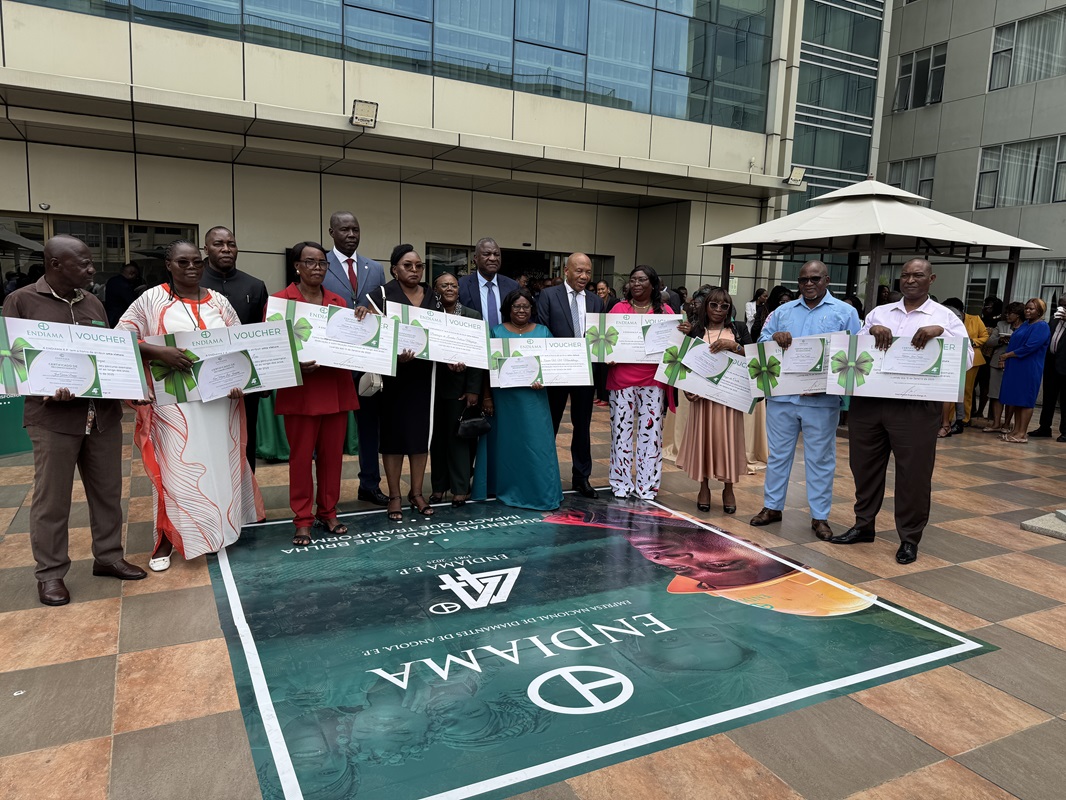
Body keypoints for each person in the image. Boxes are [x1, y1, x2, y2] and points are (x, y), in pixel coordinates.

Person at [3, 236, 147, 605]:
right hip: (53, 418)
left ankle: (108, 557)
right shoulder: (21, 301)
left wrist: (128, 383)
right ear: (55, 264)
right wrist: (44, 386)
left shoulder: (93, 302)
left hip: (101, 415)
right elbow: (11, 363)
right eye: (82, 263)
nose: (91, 268)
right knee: (52, 500)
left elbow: (106, 355)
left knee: (108, 492)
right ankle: (51, 573)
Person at [117, 240, 264, 571]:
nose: (192, 268)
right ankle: (167, 539)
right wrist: (159, 352)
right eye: (183, 262)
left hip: (219, 404)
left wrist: (240, 380)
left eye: (197, 262)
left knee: (217, 466)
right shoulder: (151, 300)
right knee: (177, 470)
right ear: (169, 265)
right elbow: (121, 337)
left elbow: (240, 344)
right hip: (175, 407)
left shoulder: (219, 302)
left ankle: (216, 531)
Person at [830, 258, 971, 565]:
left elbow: (967, 359)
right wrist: (871, 330)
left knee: (913, 474)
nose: (910, 280)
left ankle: (909, 537)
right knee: (864, 467)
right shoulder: (879, 313)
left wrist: (940, 334)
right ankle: (863, 525)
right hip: (871, 401)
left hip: (916, 406)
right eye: (905, 275)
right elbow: (854, 350)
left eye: (917, 275)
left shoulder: (945, 317)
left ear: (931, 279)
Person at [749, 261, 860, 540]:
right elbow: (761, 342)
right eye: (803, 280)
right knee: (778, 456)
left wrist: (831, 385)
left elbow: (855, 353)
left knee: (820, 459)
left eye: (814, 279)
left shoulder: (845, 313)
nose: (808, 284)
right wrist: (773, 337)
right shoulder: (782, 312)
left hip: (821, 400)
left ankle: (820, 516)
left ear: (827, 280)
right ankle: (772, 507)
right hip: (782, 397)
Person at [270, 241, 360, 546]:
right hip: (300, 391)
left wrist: (361, 323)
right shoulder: (280, 301)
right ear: (297, 266)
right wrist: (294, 363)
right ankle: (302, 519)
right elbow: (271, 349)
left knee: (332, 458)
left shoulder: (338, 302)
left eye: (322, 262)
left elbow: (350, 342)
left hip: (334, 388)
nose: (317, 268)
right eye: (310, 262)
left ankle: (328, 511)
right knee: (300, 460)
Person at [322, 211, 389, 507]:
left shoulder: (375, 268)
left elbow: (383, 309)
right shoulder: (320, 264)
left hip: (366, 363)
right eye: (344, 229)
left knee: (370, 428)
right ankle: (326, 496)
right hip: (332, 362)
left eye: (355, 229)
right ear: (331, 232)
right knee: (329, 433)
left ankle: (369, 485)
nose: (351, 234)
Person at [605, 265, 685, 500]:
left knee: (651, 435)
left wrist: (684, 333)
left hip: (653, 380)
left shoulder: (666, 312)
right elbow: (604, 341)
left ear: (653, 284)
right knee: (621, 433)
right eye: (633, 280)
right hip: (621, 378)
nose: (636, 284)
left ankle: (647, 485)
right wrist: (606, 354)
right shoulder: (618, 309)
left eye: (641, 280)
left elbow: (675, 347)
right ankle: (620, 482)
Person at [482, 288, 562, 510]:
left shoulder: (543, 332)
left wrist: (545, 379)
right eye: (516, 306)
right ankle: (506, 488)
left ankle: (540, 492)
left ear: (532, 309)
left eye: (526, 306)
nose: (521, 310)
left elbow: (553, 364)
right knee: (509, 445)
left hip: (534, 399)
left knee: (537, 444)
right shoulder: (496, 332)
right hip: (505, 400)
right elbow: (487, 369)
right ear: (508, 309)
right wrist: (487, 397)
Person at [375, 244, 438, 522]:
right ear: (394, 269)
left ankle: (416, 492)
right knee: (393, 438)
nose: (414, 270)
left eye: (419, 266)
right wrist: (393, 355)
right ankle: (394, 496)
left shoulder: (432, 296)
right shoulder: (381, 295)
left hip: (424, 377)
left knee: (419, 436)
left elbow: (442, 333)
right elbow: (372, 336)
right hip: (393, 378)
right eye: (407, 265)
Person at [198, 226, 268, 471]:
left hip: (245, 380)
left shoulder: (255, 286)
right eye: (218, 244)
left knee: (246, 441)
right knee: (208, 444)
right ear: (206, 249)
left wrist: (266, 381)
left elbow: (263, 333)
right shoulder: (194, 284)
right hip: (204, 380)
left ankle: (246, 493)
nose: (226, 249)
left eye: (231, 244)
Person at [675, 286, 750, 514]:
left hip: (729, 400)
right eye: (713, 304)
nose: (718, 309)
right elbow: (684, 363)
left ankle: (729, 488)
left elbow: (755, 356)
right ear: (706, 306)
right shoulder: (696, 330)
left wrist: (734, 346)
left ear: (729, 309)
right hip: (703, 400)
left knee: (728, 442)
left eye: (724, 306)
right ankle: (704, 487)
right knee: (704, 441)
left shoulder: (738, 329)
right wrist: (687, 389)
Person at [537, 252, 605, 498]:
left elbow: (600, 336)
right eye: (579, 271)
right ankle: (544, 477)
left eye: (588, 272)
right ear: (566, 271)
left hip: (585, 372)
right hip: (557, 372)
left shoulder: (596, 301)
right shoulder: (548, 295)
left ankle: (581, 477)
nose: (584, 276)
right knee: (550, 424)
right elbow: (543, 331)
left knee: (582, 425)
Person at [428, 272, 482, 506]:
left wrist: (473, 389)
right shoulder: (429, 314)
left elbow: (478, 354)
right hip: (431, 386)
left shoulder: (472, 316)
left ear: (459, 290)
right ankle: (439, 487)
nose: (449, 289)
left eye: (453, 285)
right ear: (436, 290)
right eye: (444, 285)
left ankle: (461, 487)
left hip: (460, 388)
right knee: (436, 439)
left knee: (459, 437)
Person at [998, 298, 1051, 444]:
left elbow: (1030, 347)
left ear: (1040, 311)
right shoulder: (1025, 324)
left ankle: (1022, 433)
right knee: (1017, 399)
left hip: (1029, 367)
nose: (1027, 311)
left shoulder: (1042, 327)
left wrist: (1007, 355)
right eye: (1026, 308)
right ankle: (1016, 430)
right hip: (1016, 365)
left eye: (1031, 309)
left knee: (1026, 400)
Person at [942, 297, 989, 428]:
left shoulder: (975, 319)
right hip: (952, 357)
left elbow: (985, 336)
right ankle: (948, 418)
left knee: (967, 389)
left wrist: (973, 342)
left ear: (959, 310)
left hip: (971, 358)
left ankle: (965, 418)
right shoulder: (946, 320)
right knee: (950, 390)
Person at [457, 238, 520, 331]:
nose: (493, 258)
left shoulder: (512, 286)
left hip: (505, 339)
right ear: (476, 258)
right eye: (487, 254)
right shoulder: (462, 285)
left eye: (496, 254)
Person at [983, 302, 1022, 434]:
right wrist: (1000, 340)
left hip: (1015, 363)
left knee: (1011, 394)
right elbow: (989, 342)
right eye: (1006, 313)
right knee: (995, 394)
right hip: (997, 362)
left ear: (1018, 315)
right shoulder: (1000, 324)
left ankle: (1006, 424)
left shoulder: (1026, 326)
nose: (1007, 315)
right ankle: (996, 423)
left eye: (1010, 313)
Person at [1029, 302, 1066, 441]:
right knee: (1048, 398)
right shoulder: (1054, 319)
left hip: (1064, 366)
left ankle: (1065, 431)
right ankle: (1044, 428)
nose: (1062, 308)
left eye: (1065, 305)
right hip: (1051, 364)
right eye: (1061, 305)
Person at [975, 296, 1003, 420]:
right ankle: (972, 409)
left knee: (985, 386)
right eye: (985, 305)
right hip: (975, 355)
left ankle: (981, 411)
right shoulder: (979, 320)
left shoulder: (999, 323)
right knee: (971, 385)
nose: (985, 308)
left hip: (989, 359)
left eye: (989, 306)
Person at [592, 279, 615, 407]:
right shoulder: (596, 302)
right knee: (599, 370)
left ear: (608, 290)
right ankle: (600, 396)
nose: (600, 291)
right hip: (599, 338)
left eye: (603, 289)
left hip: (610, 338)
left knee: (606, 370)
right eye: (598, 289)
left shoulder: (614, 302)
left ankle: (606, 397)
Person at [104, 263, 145, 327]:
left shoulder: (112, 280)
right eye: (136, 276)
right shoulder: (125, 285)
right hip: (120, 318)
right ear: (132, 274)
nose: (136, 279)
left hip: (110, 316)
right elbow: (133, 303)